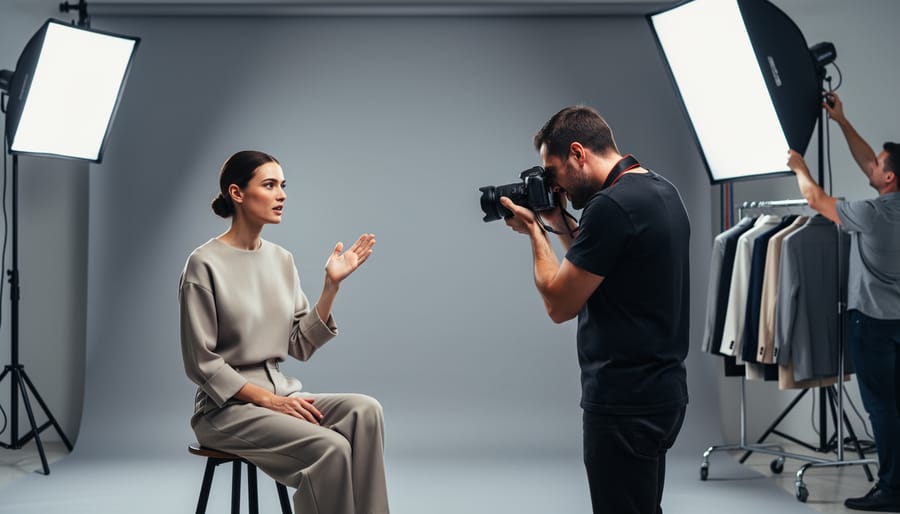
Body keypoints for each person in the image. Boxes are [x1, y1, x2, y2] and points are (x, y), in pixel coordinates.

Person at [500, 106, 691, 514]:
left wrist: (536, 233)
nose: (557, 188)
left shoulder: (610, 207)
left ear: (577, 153)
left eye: (553, 174)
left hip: (623, 404)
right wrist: (560, 223)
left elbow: (559, 303)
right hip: (662, 394)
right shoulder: (660, 192)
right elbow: (600, 269)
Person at [179, 150, 389, 514]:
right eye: (270, 185)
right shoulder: (203, 264)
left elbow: (300, 344)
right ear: (237, 193)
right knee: (331, 448)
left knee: (366, 411)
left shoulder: (281, 259)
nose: (282, 195)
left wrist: (331, 286)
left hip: (281, 396)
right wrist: (271, 401)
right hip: (224, 410)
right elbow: (201, 364)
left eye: (283, 186)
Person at [787, 92, 900, 512]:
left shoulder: (873, 214)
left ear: (888, 178)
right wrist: (842, 121)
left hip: (871, 324)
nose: (872, 165)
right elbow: (873, 162)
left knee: (882, 409)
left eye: (879, 165)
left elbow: (815, 200)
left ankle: (891, 489)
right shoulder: (888, 204)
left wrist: (800, 167)